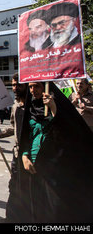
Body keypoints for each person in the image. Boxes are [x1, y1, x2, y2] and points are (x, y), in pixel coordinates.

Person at [19, 81, 93, 222]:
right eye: (30, 87)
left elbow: (65, 130)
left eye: (37, 86)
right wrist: (24, 156)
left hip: (54, 164)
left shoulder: (58, 105)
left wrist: (53, 108)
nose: (33, 90)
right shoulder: (30, 108)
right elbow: (27, 135)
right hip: (33, 164)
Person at [0, 73, 29, 222]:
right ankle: (11, 218)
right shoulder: (15, 105)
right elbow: (13, 128)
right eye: (13, 85)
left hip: (33, 155)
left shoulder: (35, 106)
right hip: (17, 154)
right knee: (14, 186)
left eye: (18, 85)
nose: (15, 88)